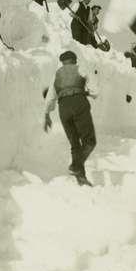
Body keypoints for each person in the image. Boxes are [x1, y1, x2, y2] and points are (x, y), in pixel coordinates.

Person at [43, 50, 98, 186]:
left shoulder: (57, 74)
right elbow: (95, 91)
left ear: (62, 62)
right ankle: (76, 166)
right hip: (79, 103)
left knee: (74, 144)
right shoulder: (81, 69)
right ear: (74, 60)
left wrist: (47, 115)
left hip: (63, 108)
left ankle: (81, 178)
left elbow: (50, 97)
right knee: (90, 141)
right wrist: (86, 92)